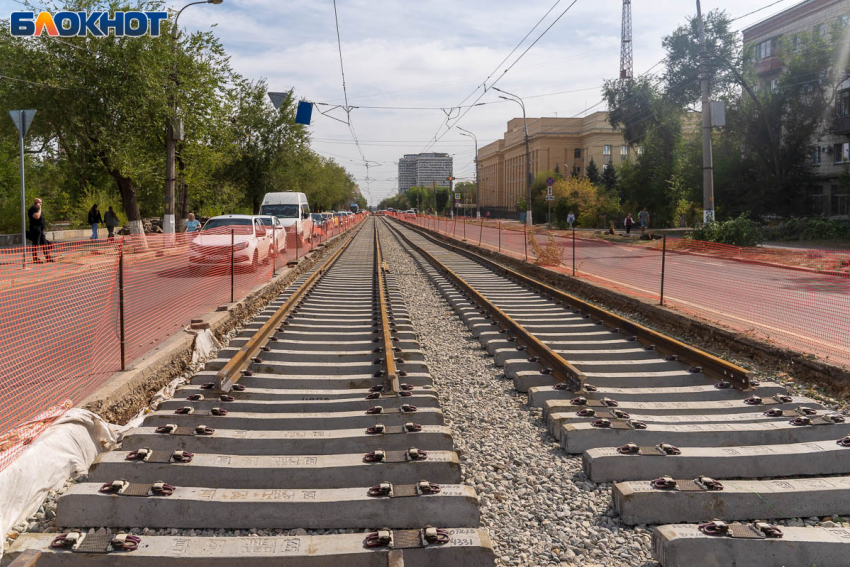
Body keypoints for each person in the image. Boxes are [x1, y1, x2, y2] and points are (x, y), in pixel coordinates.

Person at [27, 198, 54, 263]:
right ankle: (35, 259)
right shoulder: (32, 210)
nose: (40, 204)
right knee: (36, 244)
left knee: (44, 243)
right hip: (35, 229)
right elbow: (37, 216)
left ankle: (48, 257)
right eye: (38, 203)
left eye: (40, 203)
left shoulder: (38, 209)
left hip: (40, 229)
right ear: (35, 203)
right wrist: (39, 209)